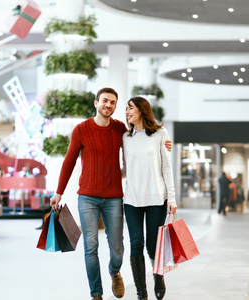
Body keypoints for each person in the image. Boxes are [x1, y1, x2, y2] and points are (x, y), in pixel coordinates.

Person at [50, 87, 172, 300]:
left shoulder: (120, 130)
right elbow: (69, 162)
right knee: (91, 246)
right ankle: (96, 293)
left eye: (113, 102)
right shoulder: (81, 130)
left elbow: (139, 148)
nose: (109, 105)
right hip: (87, 197)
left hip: (114, 197)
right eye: (105, 101)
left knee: (117, 249)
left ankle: (114, 271)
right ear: (96, 103)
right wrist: (59, 192)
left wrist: (164, 144)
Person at [122, 97, 177, 300]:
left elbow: (166, 167)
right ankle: (141, 292)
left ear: (142, 111)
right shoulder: (125, 137)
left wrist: (171, 197)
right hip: (132, 199)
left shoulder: (160, 134)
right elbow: (125, 169)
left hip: (156, 198)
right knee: (136, 242)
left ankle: (158, 276)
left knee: (152, 245)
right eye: (126, 109)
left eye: (130, 108)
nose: (127, 112)